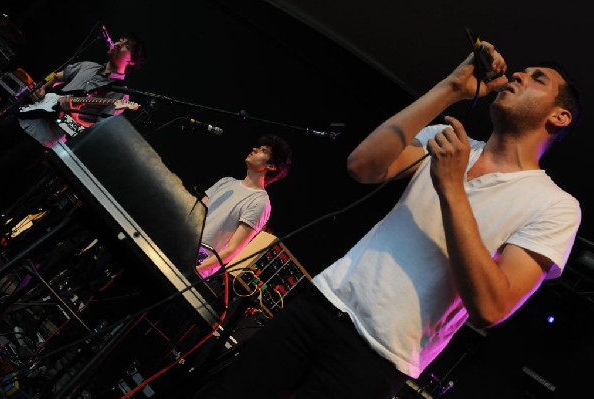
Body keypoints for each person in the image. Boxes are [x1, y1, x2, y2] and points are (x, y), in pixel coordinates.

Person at [192, 40, 582, 399]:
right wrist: (452, 88)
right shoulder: (447, 141)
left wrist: (452, 188)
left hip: (379, 357)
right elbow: (362, 166)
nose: (518, 76)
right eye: (522, 71)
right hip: (322, 302)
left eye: (537, 79)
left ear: (560, 116)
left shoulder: (554, 205)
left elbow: (492, 307)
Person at [0, 32, 146, 219]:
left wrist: (70, 112)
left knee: (0, 172)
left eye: (125, 45)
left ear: (132, 61)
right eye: (119, 40)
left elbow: (90, 133)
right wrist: (42, 87)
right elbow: (57, 77)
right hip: (25, 115)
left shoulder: (119, 95)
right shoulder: (87, 65)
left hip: (41, 139)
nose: (117, 43)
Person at [196, 134, 292, 279]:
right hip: (182, 242)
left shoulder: (260, 202)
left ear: (271, 166)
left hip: (199, 261)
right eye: (258, 147)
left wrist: (197, 269)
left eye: (263, 151)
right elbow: (195, 211)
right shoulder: (226, 182)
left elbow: (232, 250)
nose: (254, 149)